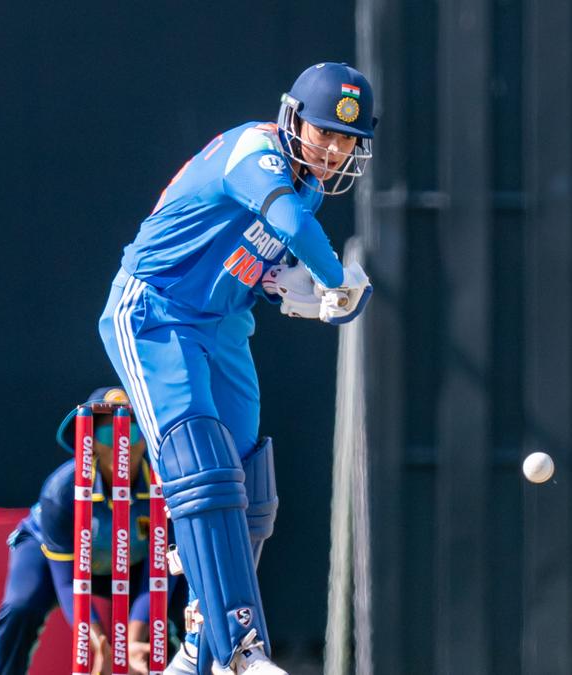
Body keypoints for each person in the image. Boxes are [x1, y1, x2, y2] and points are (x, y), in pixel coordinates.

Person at [97, 63, 376, 675]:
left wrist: (295, 291)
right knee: (202, 463)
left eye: (347, 141)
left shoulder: (306, 186)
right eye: (325, 133)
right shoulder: (255, 150)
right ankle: (239, 649)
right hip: (156, 311)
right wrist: (335, 279)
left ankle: (199, 647)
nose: (333, 151)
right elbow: (292, 224)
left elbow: (257, 267)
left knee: (250, 484)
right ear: (292, 119)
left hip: (222, 324)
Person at [0, 386, 187, 675]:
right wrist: (100, 645)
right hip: (56, 560)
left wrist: (131, 645)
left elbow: (155, 576)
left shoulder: (163, 487)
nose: (123, 445)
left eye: (132, 433)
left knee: (177, 602)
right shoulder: (62, 491)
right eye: (110, 435)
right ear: (91, 442)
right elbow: (67, 583)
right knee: (22, 607)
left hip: (130, 561)